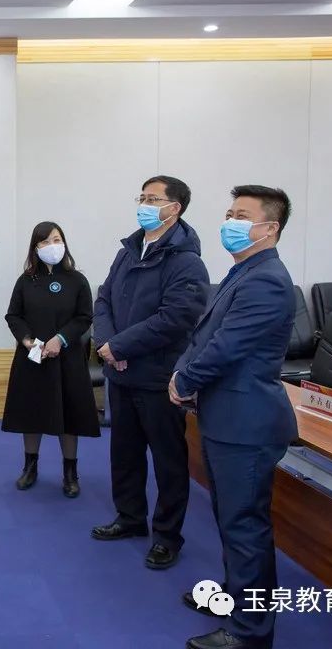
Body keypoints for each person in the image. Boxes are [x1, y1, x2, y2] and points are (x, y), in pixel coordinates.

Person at [171, 186, 297, 649]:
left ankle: (250, 632)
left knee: (245, 526)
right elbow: (205, 335)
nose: (230, 222)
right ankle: (235, 597)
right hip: (226, 416)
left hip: (247, 422)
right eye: (229, 213)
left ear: (270, 228)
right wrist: (183, 372)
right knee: (230, 518)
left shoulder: (267, 280)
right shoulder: (244, 271)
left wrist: (185, 379)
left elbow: (229, 345)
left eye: (241, 215)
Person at [91, 176, 208, 571]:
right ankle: (129, 517)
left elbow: (175, 319)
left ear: (174, 208)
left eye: (152, 198)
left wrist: (120, 347)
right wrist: (108, 345)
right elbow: (104, 299)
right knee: (124, 453)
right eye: (141, 197)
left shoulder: (186, 261)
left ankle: (167, 536)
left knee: (168, 461)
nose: (143, 204)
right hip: (120, 373)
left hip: (158, 378)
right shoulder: (128, 251)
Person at [1, 222, 97, 498]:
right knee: (31, 414)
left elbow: (84, 317)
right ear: (35, 248)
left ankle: (70, 472)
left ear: (64, 242)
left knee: (69, 415)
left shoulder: (77, 280)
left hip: (68, 359)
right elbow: (13, 316)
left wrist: (60, 339)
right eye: (44, 242)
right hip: (32, 358)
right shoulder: (26, 280)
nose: (51, 246)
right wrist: (27, 340)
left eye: (56, 239)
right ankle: (30, 467)